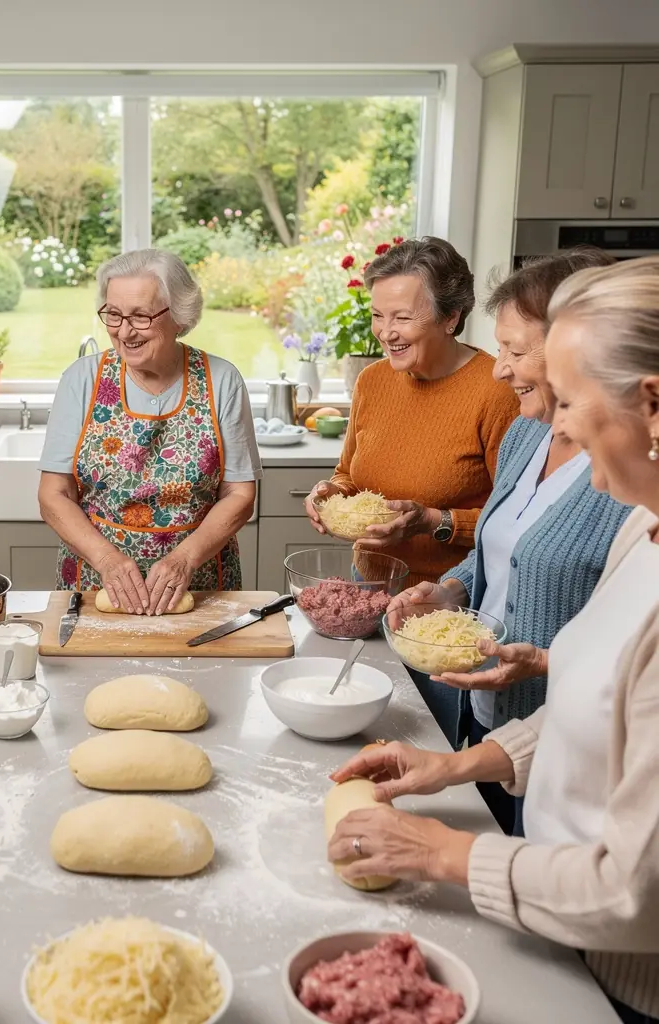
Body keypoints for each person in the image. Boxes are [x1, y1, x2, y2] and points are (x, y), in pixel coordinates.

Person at [327, 256, 659, 1024]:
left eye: (571, 400)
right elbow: (592, 701)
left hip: (625, 981)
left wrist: (439, 853)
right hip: (552, 915)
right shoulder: (643, 532)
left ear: (650, 404)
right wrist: (462, 765)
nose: (558, 425)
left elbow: (632, 892)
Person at [385, 250, 631, 831]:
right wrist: (449, 590)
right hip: (487, 719)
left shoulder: (629, 476)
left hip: (568, 749)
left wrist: (544, 665)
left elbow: (626, 651)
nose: (498, 370)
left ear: (583, 352)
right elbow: (501, 550)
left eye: (516, 352)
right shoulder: (526, 432)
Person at [38, 249, 261, 614]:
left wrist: (184, 560)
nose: (124, 331)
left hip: (199, 587)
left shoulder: (222, 381)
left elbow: (239, 494)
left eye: (140, 316)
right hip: (96, 585)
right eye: (113, 314)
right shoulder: (81, 380)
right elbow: (54, 494)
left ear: (179, 316)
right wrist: (108, 560)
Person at [305, 237, 520, 591]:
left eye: (402, 318)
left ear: (450, 317)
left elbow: (515, 519)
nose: (386, 333)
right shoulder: (372, 381)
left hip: (452, 595)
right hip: (369, 583)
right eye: (377, 315)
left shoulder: (497, 390)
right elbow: (349, 475)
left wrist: (432, 522)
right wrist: (331, 492)